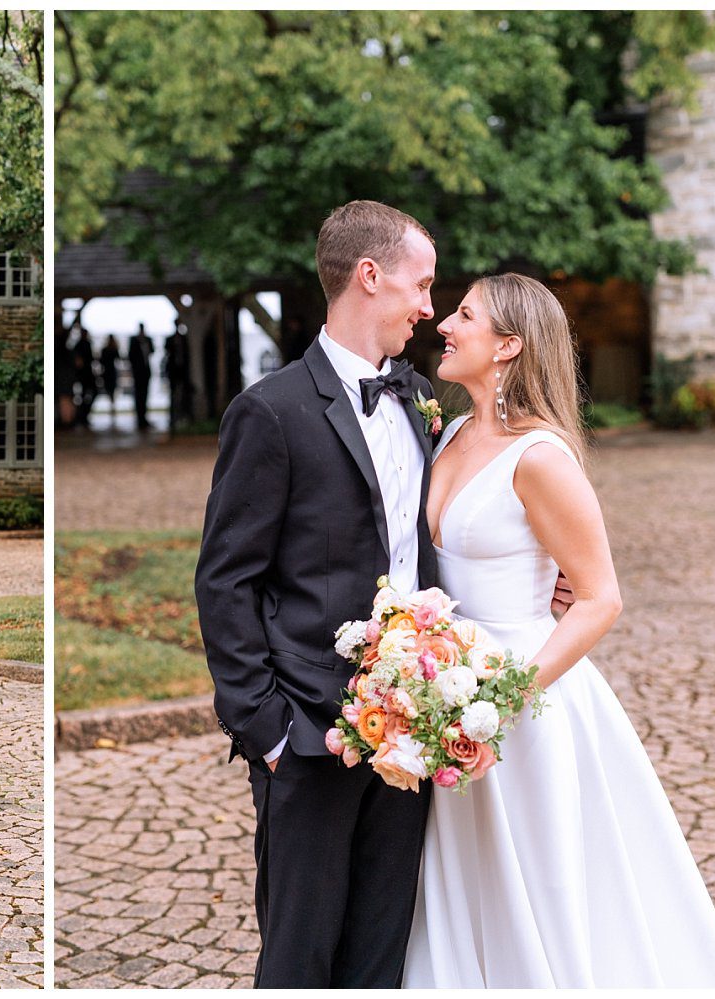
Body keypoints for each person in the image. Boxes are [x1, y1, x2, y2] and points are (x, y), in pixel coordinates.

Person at [402, 274, 715, 987]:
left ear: (508, 346)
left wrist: (499, 701)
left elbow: (599, 597)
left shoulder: (541, 457)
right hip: (443, 689)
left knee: (542, 881)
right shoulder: (453, 430)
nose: (445, 323)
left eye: (464, 314)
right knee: (464, 877)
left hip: (522, 699)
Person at [195, 201, 446, 987]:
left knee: (381, 954)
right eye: (422, 284)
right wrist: (270, 732)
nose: (430, 307)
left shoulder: (420, 400)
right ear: (369, 277)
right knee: (300, 960)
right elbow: (224, 579)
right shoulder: (269, 411)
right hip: (309, 734)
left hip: (414, 733)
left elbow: (438, 537)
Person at [129, 324, 154, 430]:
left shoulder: (148, 340)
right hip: (138, 373)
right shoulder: (134, 341)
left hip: (146, 372)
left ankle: (144, 418)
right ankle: (140, 419)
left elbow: (152, 351)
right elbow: (130, 355)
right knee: (139, 396)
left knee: (145, 395)